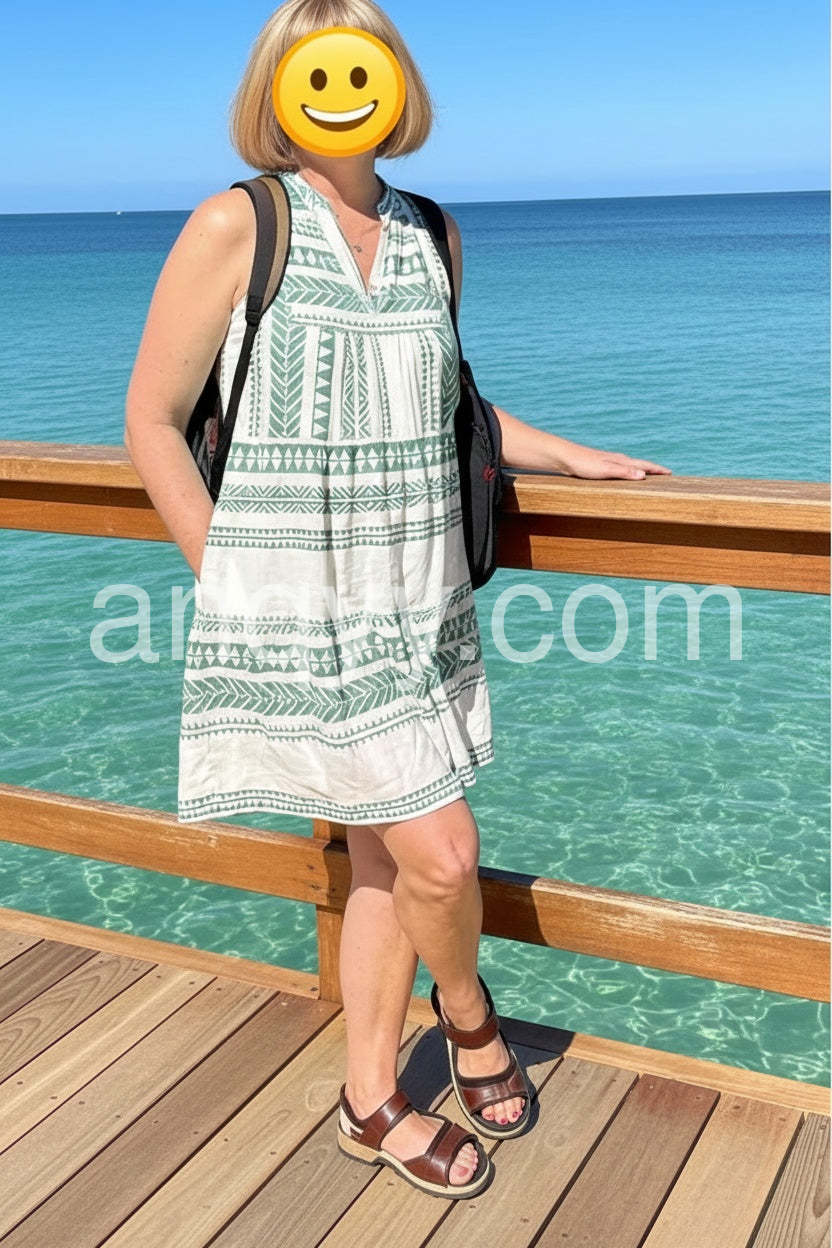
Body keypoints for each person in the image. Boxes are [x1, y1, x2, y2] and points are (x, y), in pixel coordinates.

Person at [124, 0, 671, 1199]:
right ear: (279, 88)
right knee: (442, 850)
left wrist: (568, 455)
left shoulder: (434, 233)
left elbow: (445, 406)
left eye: (358, 67)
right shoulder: (239, 224)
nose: (337, 91)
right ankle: (468, 1013)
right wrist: (232, 581)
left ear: (394, 84)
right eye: (310, 71)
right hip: (298, 616)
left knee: (384, 853)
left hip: (417, 598)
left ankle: (369, 1098)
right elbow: (152, 423)